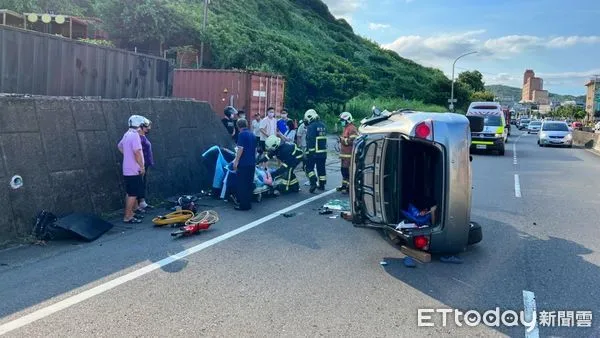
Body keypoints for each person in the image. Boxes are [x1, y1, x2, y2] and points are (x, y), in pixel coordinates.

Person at [118, 115, 146, 223]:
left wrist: (127, 155)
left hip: (127, 168)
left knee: (130, 192)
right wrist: (142, 166)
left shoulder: (126, 134)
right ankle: (127, 216)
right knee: (133, 193)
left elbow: (119, 146)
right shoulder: (135, 136)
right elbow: (137, 152)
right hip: (134, 169)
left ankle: (131, 213)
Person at [232, 118, 257, 211]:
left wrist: (236, 161)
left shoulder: (242, 134)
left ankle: (243, 205)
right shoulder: (252, 134)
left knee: (242, 184)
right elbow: (255, 150)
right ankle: (248, 203)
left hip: (244, 163)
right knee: (249, 184)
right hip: (252, 163)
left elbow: (240, 149)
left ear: (238, 126)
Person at [304, 109, 328, 193]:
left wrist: (310, 152)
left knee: (309, 168)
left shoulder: (311, 127)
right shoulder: (323, 125)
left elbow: (311, 140)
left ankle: (313, 182)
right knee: (321, 168)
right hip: (323, 152)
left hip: (314, 152)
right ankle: (322, 184)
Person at [337, 112, 358, 194]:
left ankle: (349, 188)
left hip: (349, 155)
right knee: (343, 171)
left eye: (342, 120)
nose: (341, 122)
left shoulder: (352, 128)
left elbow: (352, 141)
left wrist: (342, 140)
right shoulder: (346, 128)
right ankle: (344, 186)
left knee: (347, 171)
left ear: (347, 120)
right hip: (344, 155)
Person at [137, 117, 155, 211]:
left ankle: (142, 202)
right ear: (142, 127)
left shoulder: (143, 137)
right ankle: (138, 204)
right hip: (141, 164)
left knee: (143, 183)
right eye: (147, 127)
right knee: (140, 183)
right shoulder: (139, 138)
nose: (149, 128)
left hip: (146, 163)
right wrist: (141, 165)